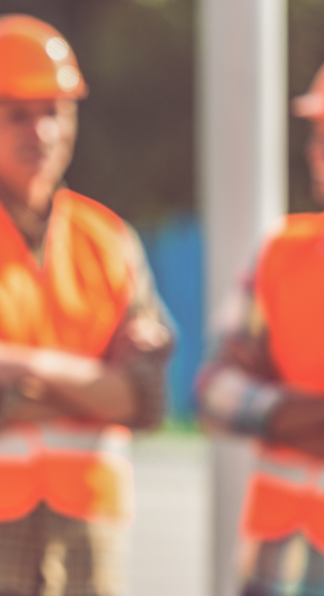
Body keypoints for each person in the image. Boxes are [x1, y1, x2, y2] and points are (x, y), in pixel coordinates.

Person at [0, 14, 174, 596]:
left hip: (86, 555)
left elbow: (148, 399)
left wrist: (20, 365)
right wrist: (100, 390)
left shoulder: (109, 238)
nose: (41, 131)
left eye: (56, 111)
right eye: (19, 113)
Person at [196, 63, 324, 596]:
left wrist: (275, 403)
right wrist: (281, 412)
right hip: (284, 555)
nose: (320, 151)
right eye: (319, 134)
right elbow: (214, 391)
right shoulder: (281, 252)